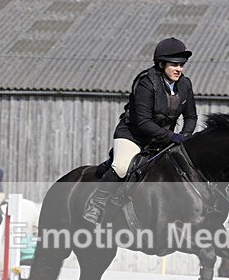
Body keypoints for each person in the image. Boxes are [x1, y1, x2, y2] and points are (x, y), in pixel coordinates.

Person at [83, 37, 198, 225]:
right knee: (121, 167)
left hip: (163, 140)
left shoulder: (185, 85)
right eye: (174, 64)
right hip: (133, 136)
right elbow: (143, 122)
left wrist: (185, 135)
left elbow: (191, 117)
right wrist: (172, 136)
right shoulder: (146, 82)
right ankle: (97, 204)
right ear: (161, 64)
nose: (179, 69)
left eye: (182, 65)